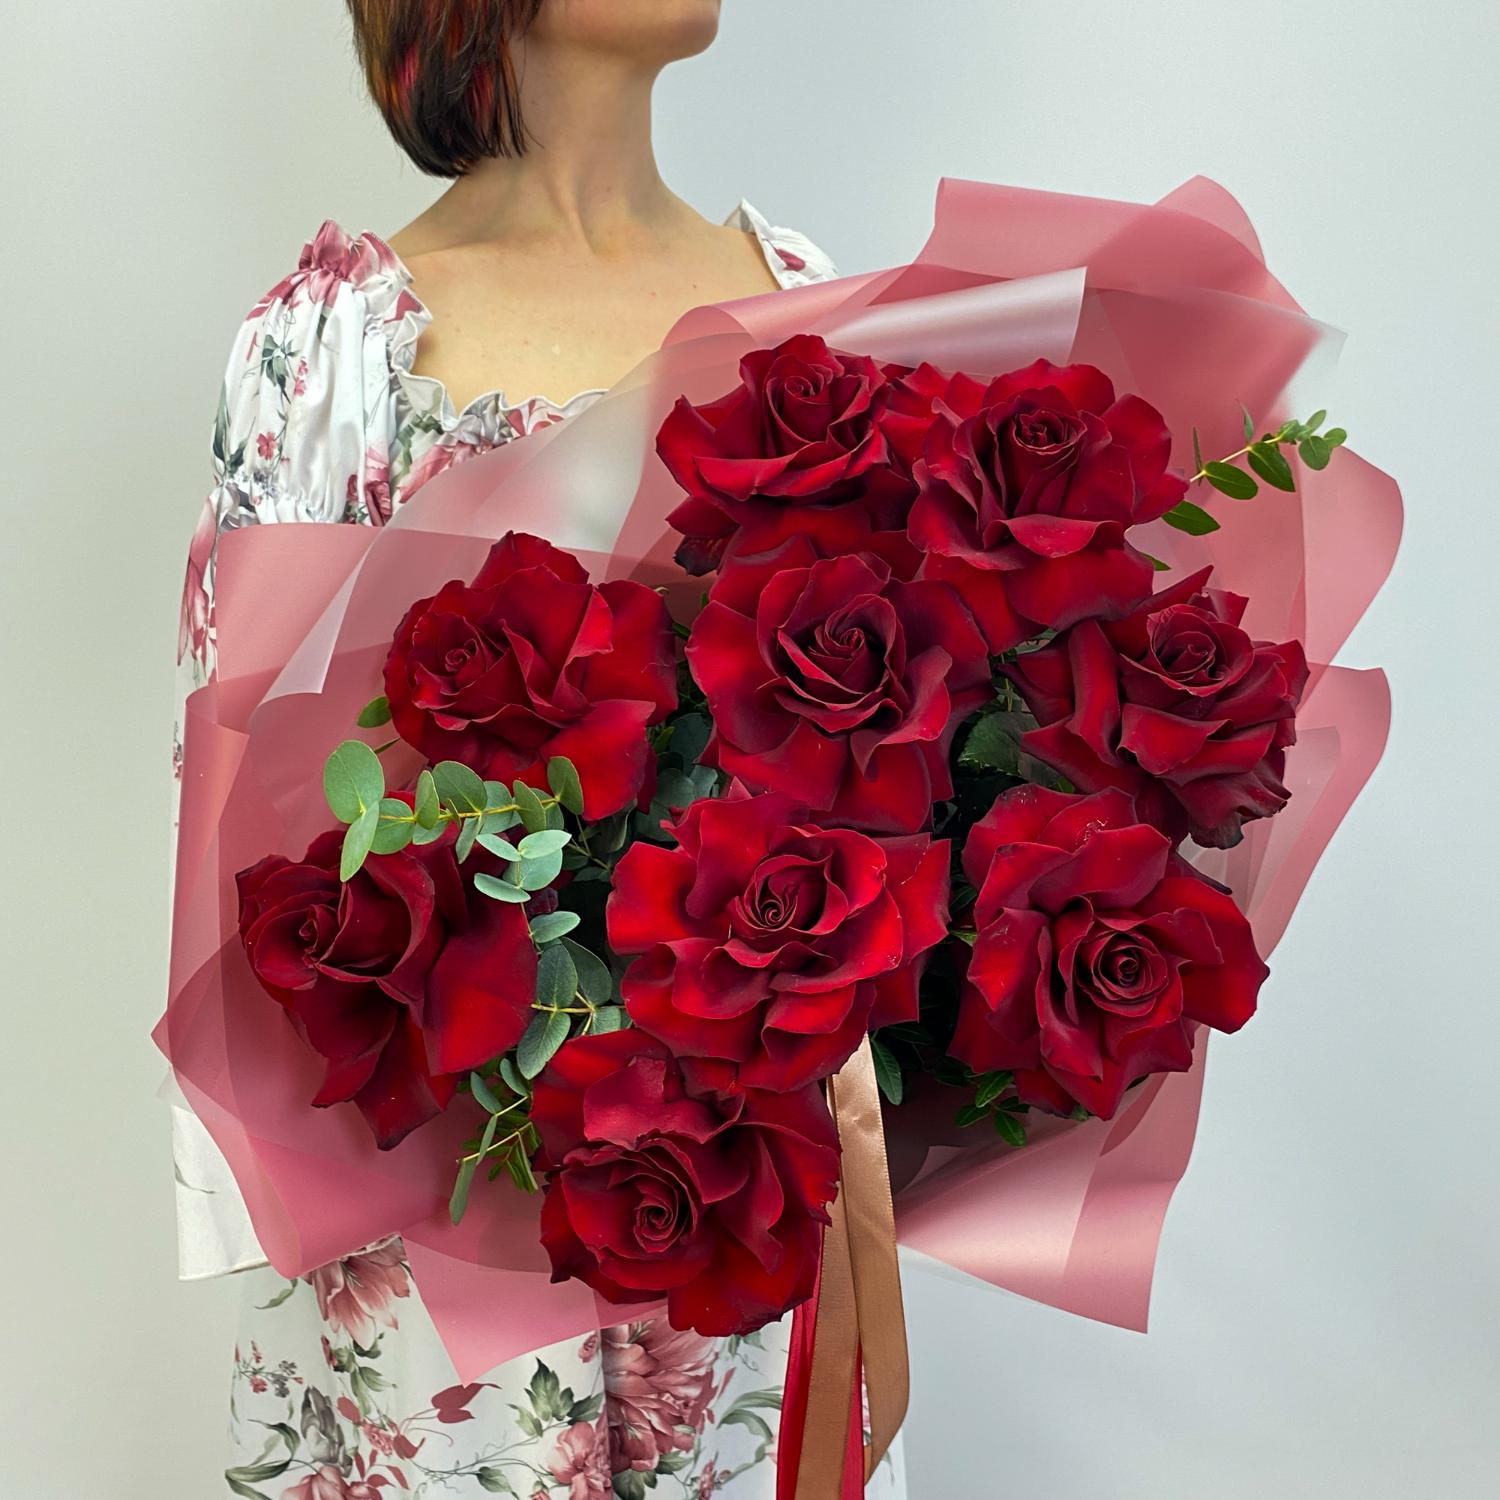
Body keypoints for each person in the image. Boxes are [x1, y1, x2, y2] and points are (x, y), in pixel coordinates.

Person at [172, 3, 906, 1495]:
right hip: (451, 1226)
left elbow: (899, 730)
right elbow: (245, 827)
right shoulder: (335, 348)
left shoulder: (809, 303)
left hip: (745, 1197)